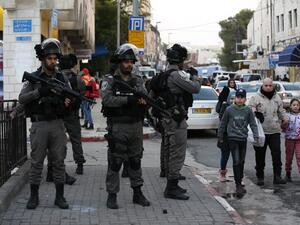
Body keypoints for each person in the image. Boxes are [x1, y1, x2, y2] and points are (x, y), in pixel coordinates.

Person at [19, 38, 70, 209]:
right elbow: (22, 98)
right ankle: (34, 197)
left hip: (57, 124)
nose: (53, 61)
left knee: (58, 162)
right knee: (36, 163)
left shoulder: (62, 78)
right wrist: (39, 92)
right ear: (43, 59)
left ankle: (60, 197)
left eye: (55, 58)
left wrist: (68, 101)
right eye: (49, 58)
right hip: (39, 125)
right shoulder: (33, 78)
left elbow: (70, 96)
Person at [101, 43, 150, 209]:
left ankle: (137, 193)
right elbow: (107, 100)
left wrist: (143, 103)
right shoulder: (110, 81)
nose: (129, 64)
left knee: (136, 161)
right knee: (115, 162)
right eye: (126, 61)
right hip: (117, 127)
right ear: (120, 62)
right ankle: (112, 195)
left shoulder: (138, 82)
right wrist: (127, 100)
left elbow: (145, 99)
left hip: (135, 127)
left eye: (131, 62)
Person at [158, 44, 201, 200]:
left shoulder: (164, 74)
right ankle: (171, 188)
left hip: (168, 118)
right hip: (176, 120)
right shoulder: (176, 75)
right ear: (180, 60)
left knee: (171, 149)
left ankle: (173, 184)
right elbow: (195, 88)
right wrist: (195, 76)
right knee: (178, 151)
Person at [46, 54, 86, 178]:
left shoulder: (56, 77)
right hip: (72, 114)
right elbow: (82, 94)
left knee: (55, 143)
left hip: (58, 115)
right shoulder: (77, 79)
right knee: (76, 140)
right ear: (72, 64)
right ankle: (79, 164)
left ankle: (51, 168)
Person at [218, 89, 259, 198]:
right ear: (235, 98)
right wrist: (220, 136)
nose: (240, 99)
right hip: (232, 138)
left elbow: (253, 123)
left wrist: (256, 135)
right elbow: (223, 123)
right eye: (238, 97)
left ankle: (239, 179)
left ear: (245, 99)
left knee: (241, 161)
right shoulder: (229, 109)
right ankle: (238, 185)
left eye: (242, 97)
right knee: (236, 161)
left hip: (243, 138)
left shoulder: (247, 110)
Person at [248, 78, 289, 186]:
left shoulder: (277, 97)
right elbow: (249, 109)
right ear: (262, 85)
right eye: (266, 85)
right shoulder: (255, 97)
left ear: (273, 85)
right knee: (260, 156)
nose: (268, 87)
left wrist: (285, 119)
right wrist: (254, 112)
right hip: (261, 132)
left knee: (277, 155)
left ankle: (277, 177)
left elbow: (281, 111)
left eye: (270, 85)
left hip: (275, 130)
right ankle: (260, 177)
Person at [217, 79, 238, 182]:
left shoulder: (241, 108)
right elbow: (221, 123)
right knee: (225, 156)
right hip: (225, 135)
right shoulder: (225, 107)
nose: (234, 100)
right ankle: (222, 173)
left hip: (236, 135)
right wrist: (220, 137)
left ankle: (238, 176)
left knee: (237, 157)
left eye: (236, 97)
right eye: (232, 98)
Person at [282, 99, 300, 182]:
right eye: (294, 105)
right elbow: (282, 128)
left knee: (299, 157)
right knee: (289, 158)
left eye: (297, 105)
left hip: (299, 140)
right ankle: (288, 173)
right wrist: (285, 123)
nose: (296, 106)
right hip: (289, 140)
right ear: (290, 106)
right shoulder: (287, 115)